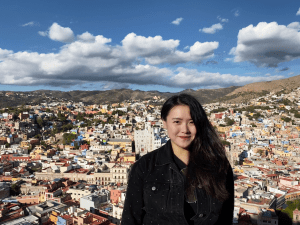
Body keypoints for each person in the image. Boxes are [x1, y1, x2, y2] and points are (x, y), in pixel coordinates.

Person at [121, 94, 234, 225]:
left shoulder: (219, 166)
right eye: (177, 122)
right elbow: (130, 219)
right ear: (164, 123)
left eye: (192, 122)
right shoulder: (145, 167)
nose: (185, 129)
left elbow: (226, 218)